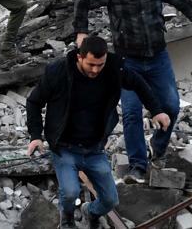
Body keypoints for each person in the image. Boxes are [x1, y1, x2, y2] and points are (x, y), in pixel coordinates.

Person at [73, 0, 192, 182]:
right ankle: (138, 165)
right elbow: (82, 3)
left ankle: (157, 146)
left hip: (157, 59)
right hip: (127, 61)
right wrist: (81, 32)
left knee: (170, 106)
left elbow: (182, 2)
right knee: (132, 113)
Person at [26, 36, 171, 228]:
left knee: (111, 200)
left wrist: (157, 110)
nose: (95, 70)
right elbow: (34, 101)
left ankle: (90, 212)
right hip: (64, 147)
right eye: (91, 64)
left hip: (94, 148)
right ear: (79, 57)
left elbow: (138, 83)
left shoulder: (114, 69)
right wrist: (36, 136)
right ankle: (67, 218)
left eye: (100, 65)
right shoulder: (58, 71)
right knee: (70, 192)